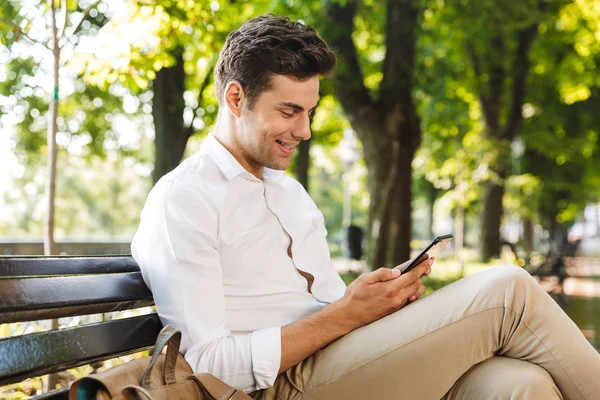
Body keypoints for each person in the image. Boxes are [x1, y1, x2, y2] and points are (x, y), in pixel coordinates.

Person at [131, 14, 600, 400]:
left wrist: (379, 304)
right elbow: (209, 364)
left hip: (336, 360)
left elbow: (334, 308)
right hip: (272, 388)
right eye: (289, 111)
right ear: (236, 97)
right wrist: (348, 314)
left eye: (309, 112)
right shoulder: (184, 200)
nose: (305, 131)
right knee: (508, 290)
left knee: (522, 386)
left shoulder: (289, 193)